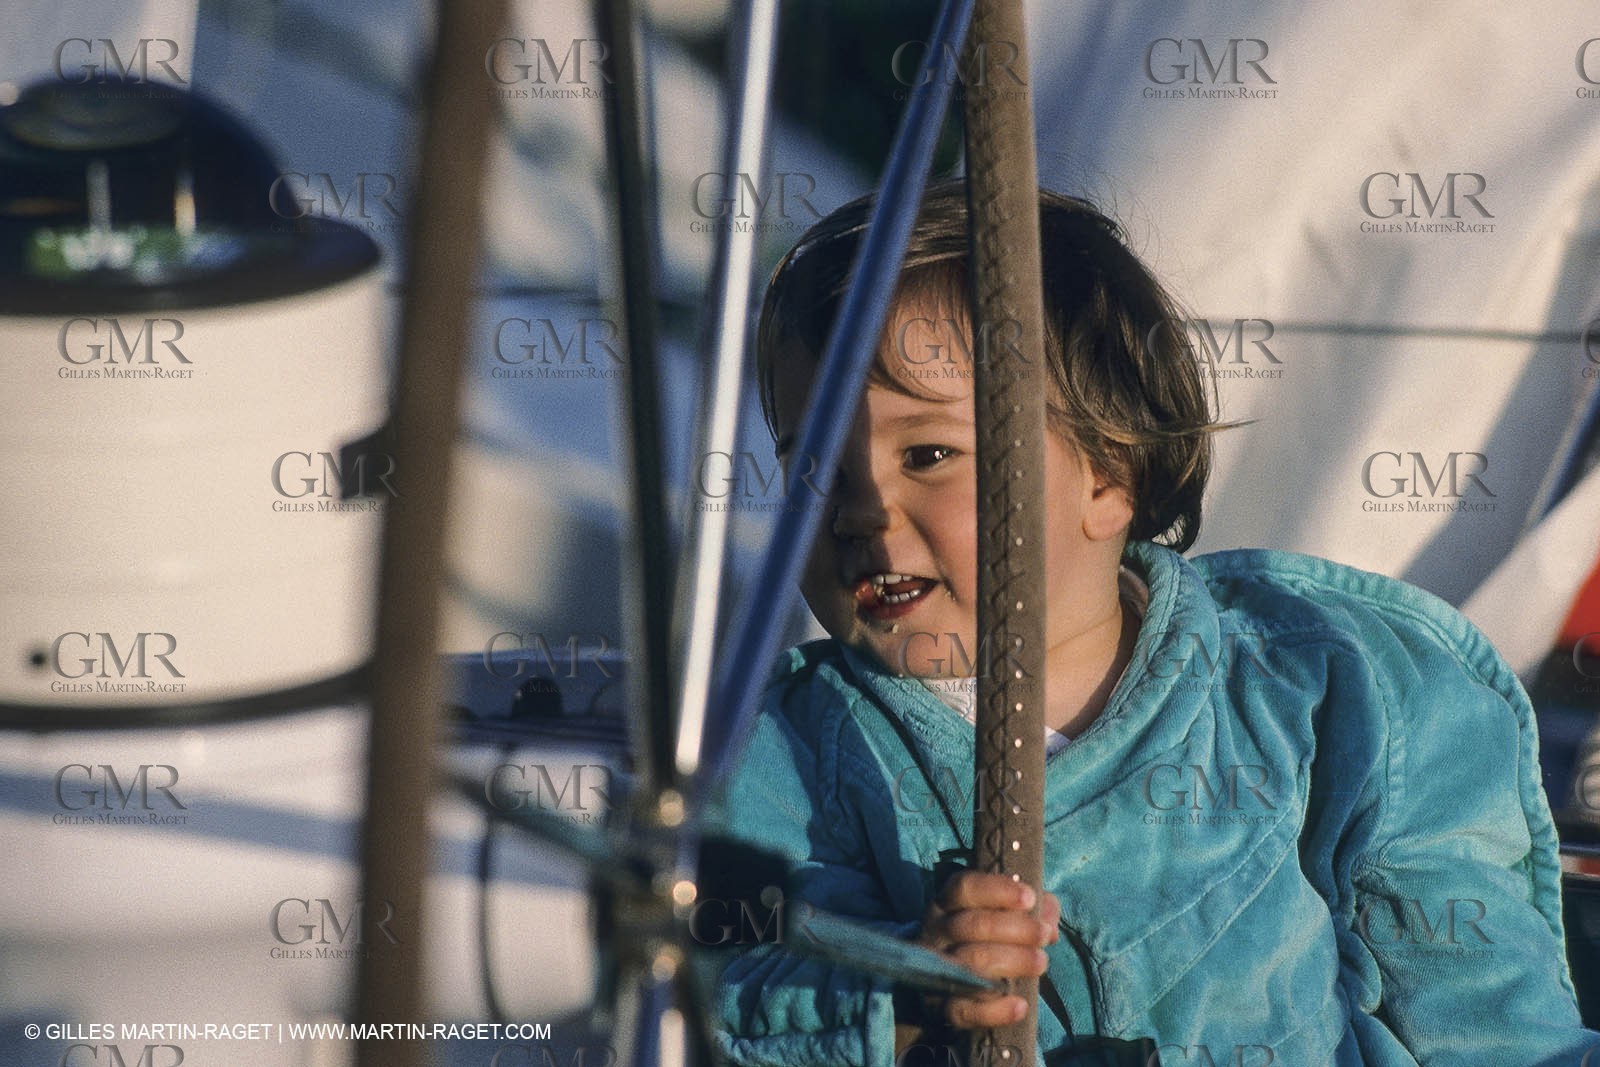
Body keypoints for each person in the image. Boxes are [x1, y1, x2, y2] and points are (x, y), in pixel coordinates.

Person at [706, 179, 1600, 1066]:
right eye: (814, 467)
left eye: (929, 453)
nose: (859, 510)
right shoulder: (784, 758)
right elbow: (715, 998)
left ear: (1108, 476)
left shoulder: (1332, 688)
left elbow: (1488, 1019)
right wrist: (901, 1001)